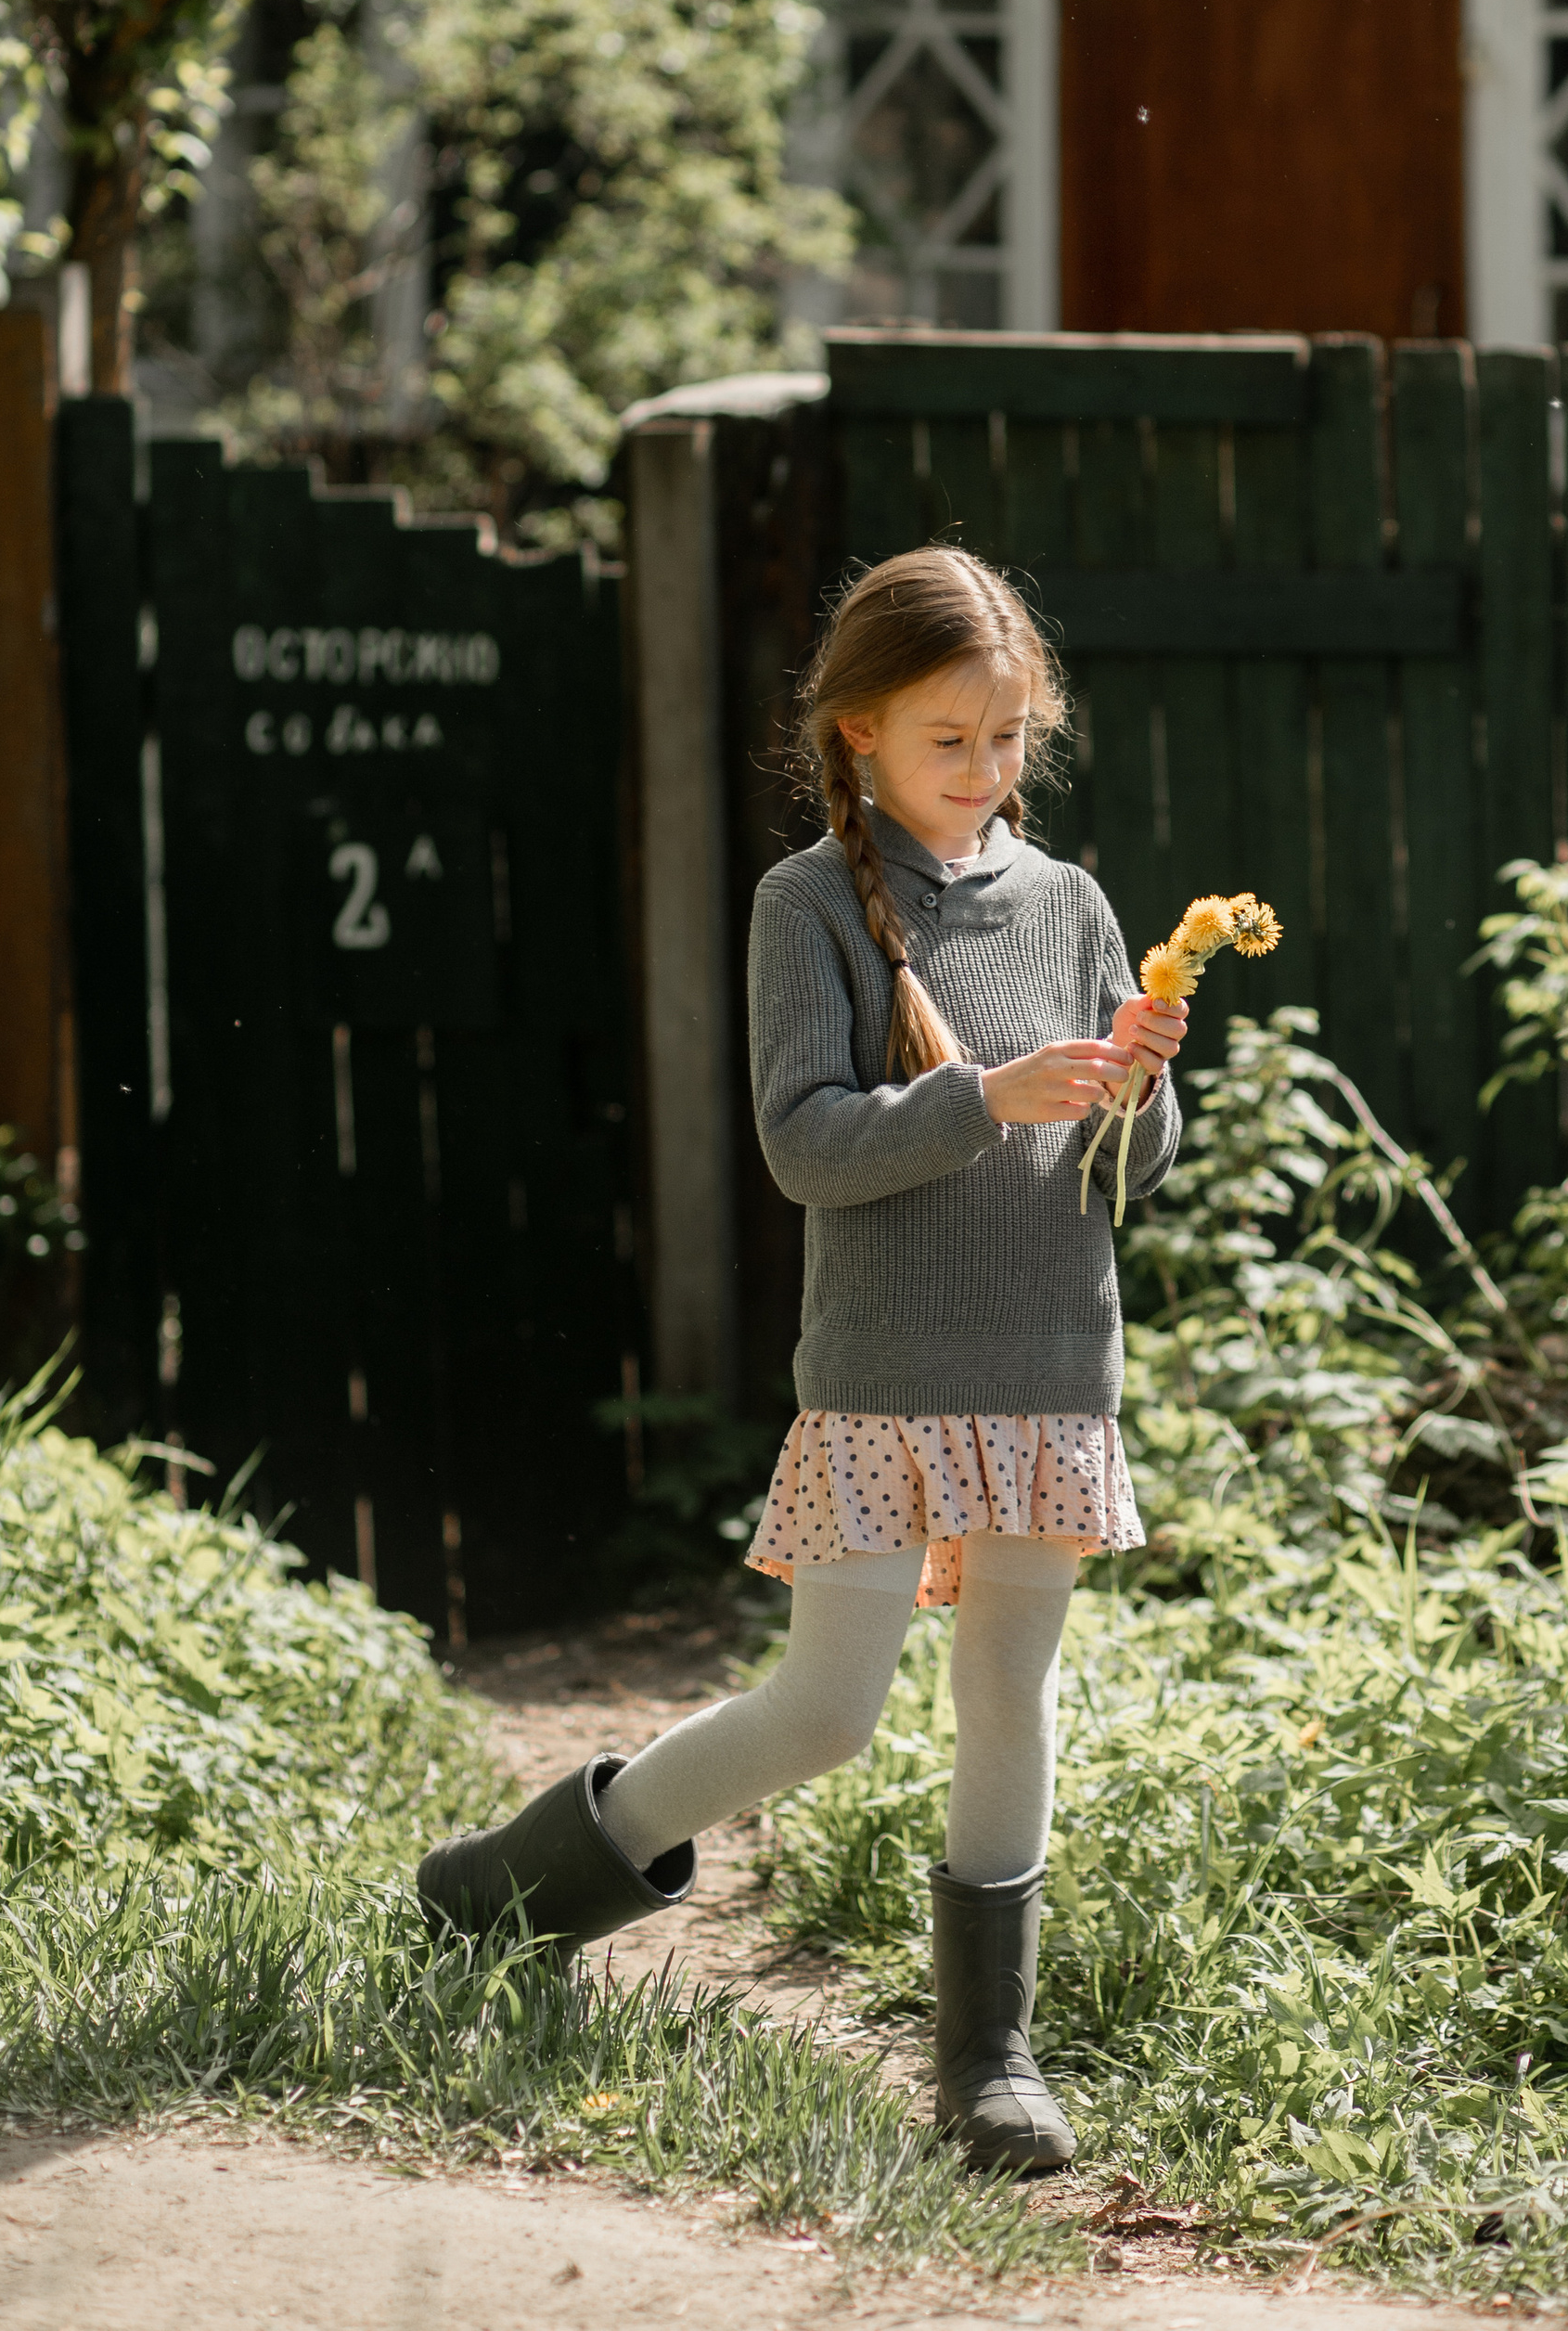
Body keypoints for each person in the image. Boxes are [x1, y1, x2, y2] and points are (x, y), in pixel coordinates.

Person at [418, 543, 1187, 2172]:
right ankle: (518, 1882)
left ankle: (987, 2063)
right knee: (828, 1710)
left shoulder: (1074, 906)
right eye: (946, 742)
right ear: (858, 735)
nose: (982, 775)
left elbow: (1132, 1174)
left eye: (1005, 740)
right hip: (889, 1380)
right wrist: (986, 1095)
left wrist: (1139, 1091)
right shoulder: (812, 904)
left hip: (1052, 1370)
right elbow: (802, 1144)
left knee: (1009, 1700)